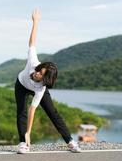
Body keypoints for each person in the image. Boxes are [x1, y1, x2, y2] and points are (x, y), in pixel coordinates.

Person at [15, 9, 81, 153]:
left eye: (41, 74)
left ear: (45, 79)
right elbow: (32, 42)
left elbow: (33, 109)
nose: (37, 73)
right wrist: (36, 22)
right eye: (39, 70)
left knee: (52, 113)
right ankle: (23, 143)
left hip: (35, 89)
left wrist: (29, 131)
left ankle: (70, 141)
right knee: (21, 111)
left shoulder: (41, 88)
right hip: (21, 84)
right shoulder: (33, 62)